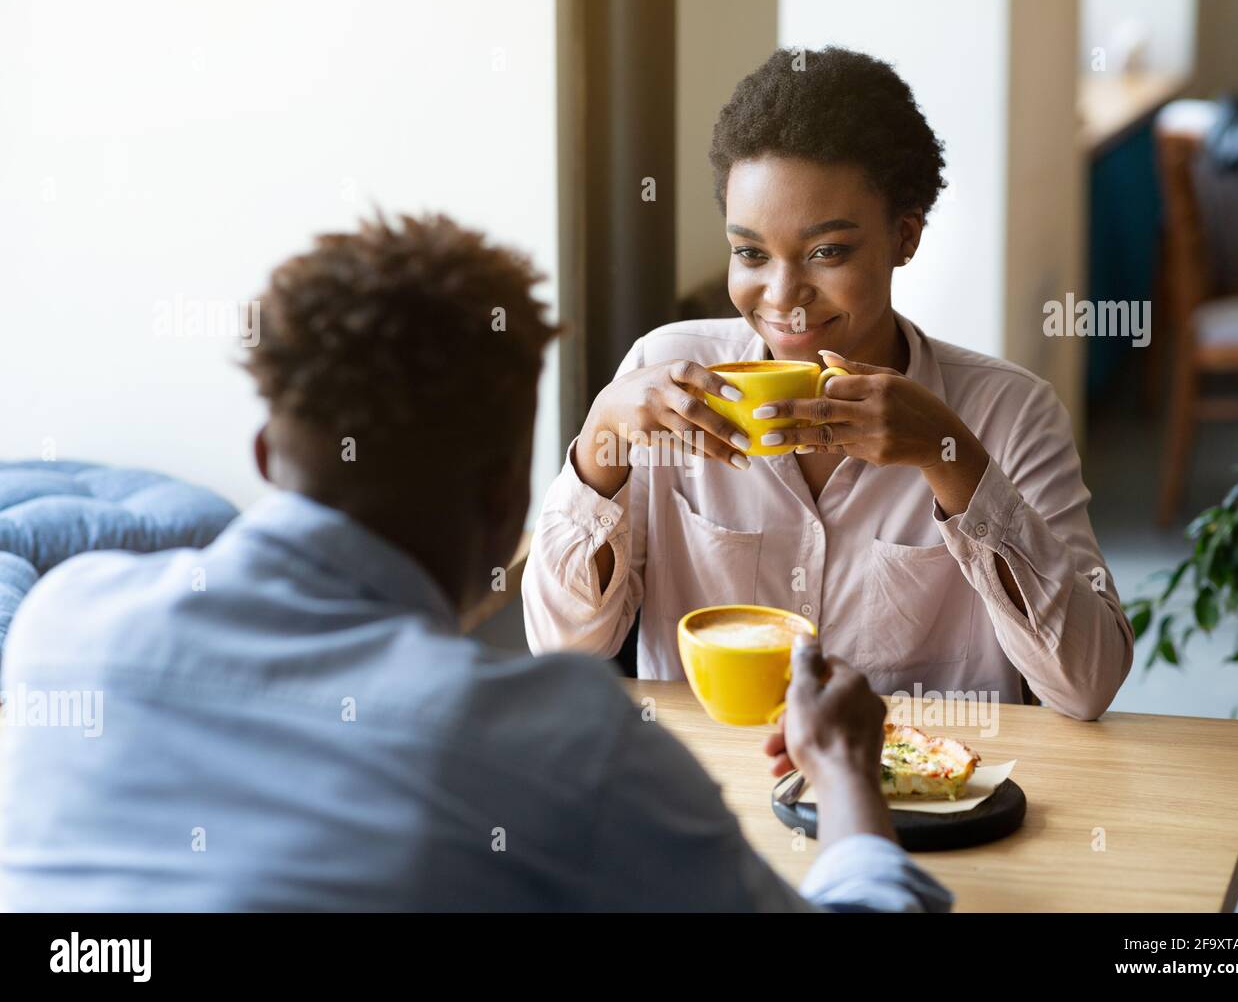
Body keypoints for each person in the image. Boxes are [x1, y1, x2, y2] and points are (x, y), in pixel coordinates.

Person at [0, 213, 950, 912]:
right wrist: (849, 777)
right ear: (505, 502)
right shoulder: (565, 748)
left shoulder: (61, 626)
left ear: (262, 457)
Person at [522, 47, 1133, 720]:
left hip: (921, 806)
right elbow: (563, 650)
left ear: (904, 237)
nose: (784, 295)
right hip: (708, 802)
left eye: (827, 252)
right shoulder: (664, 375)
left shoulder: (1009, 411)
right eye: (750, 252)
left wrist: (950, 458)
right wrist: (600, 444)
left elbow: (1088, 683)